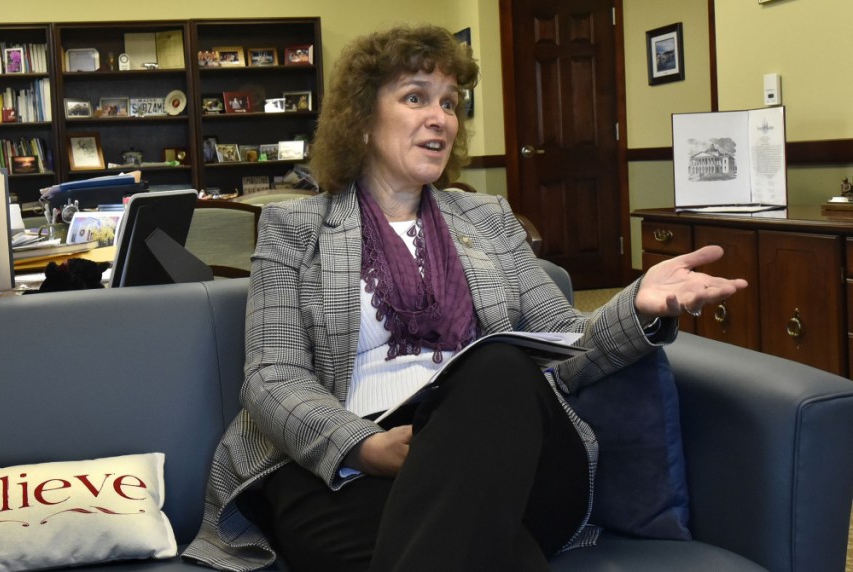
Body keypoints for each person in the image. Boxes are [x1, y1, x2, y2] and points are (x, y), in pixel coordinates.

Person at [182, 24, 746, 572]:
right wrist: (365, 448)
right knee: (473, 540)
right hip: (349, 468)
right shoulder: (295, 227)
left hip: (511, 457)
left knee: (499, 365)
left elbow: (561, 345)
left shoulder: (488, 219)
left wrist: (637, 305)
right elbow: (272, 374)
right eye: (415, 97)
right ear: (359, 120)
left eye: (450, 103)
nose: (441, 118)